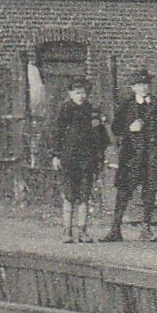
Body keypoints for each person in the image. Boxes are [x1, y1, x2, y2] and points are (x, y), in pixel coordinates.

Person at [101, 68, 157, 242]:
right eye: (138, 85)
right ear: (133, 87)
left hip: (151, 156)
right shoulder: (127, 106)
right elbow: (116, 128)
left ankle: (146, 228)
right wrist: (129, 128)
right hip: (131, 156)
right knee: (124, 191)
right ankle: (115, 229)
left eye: (145, 84)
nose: (142, 88)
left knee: (149, 191)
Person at [51, 79, 108, 243]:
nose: (81, 96)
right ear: (70, 94)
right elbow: (56, 133)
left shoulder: (92, 111)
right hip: (68, 160)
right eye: (77, 92)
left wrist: (99, 156)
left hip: (87, 161)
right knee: (69, 195)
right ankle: (66, 231)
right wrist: (55, 155)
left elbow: (99, 135)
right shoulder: (65, 110)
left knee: (84, 195)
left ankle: (82, 231)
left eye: (83, 92)